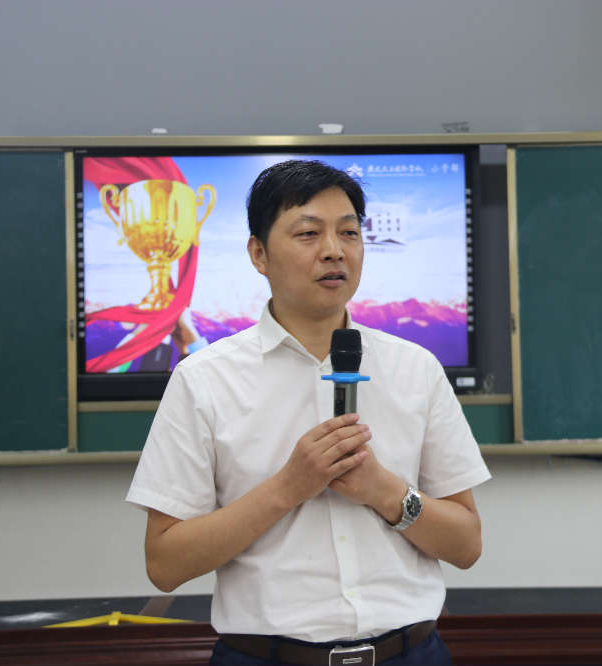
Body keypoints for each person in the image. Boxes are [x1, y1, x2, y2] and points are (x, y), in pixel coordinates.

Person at [126, 160, 491, 666]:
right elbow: (165, 564)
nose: (334, 250)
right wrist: (288, 487)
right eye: (308, 233)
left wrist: (384, 491)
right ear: (258, 253)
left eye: (349, 233)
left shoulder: (416, 368)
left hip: (410, 652)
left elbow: (466, 545)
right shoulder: (203, 379)